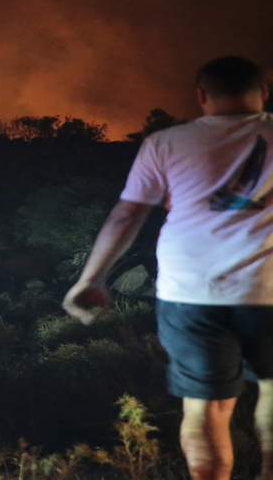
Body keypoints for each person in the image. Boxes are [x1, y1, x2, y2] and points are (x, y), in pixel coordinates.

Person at [64, 56, 273, 480]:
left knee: (206, 408)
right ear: (264, 91)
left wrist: (90, 280)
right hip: (268, 290)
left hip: (190, 291)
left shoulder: (165, 142)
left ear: (201, 97)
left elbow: (126, 216)